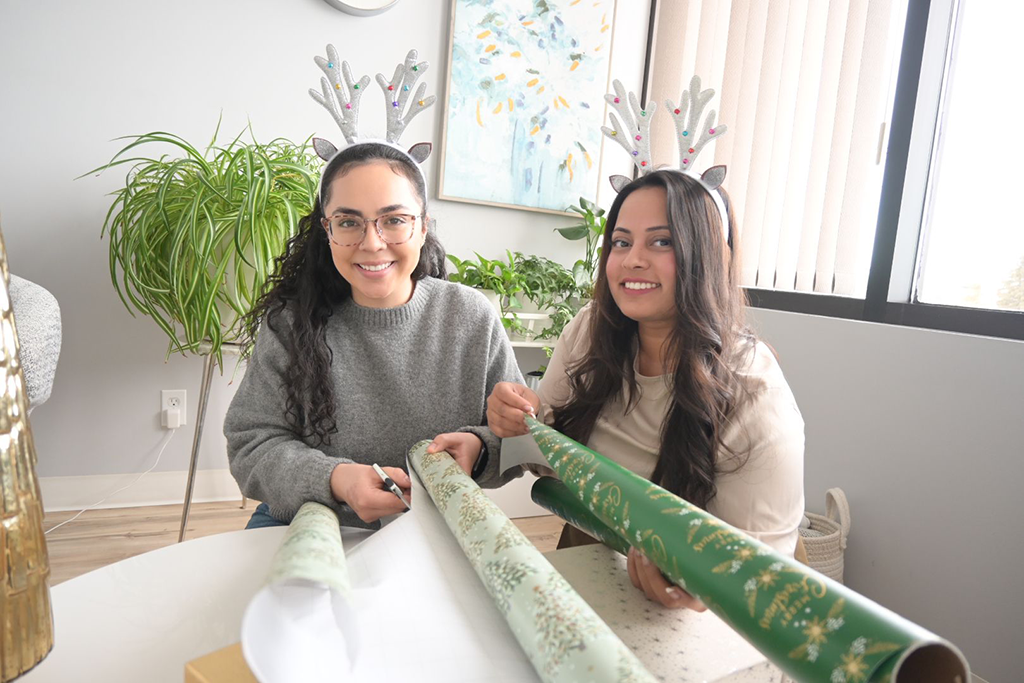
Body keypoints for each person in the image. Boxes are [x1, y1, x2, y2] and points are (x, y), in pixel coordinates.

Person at [487, 170, 805, 610]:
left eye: (662, 242)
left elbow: (762, 576)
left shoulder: (753, 389)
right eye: (621, 242)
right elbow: (547, 457)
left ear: (708, 256)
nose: (632, 260)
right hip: (593, 568)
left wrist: (696, 593)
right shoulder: (588, 332)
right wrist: (517, 424)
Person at [225, 141, 522, 530]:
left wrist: (480, 450)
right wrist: (334, 480)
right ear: (326, 230)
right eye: (348, 222)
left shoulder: (470, 316)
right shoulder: (291, 322)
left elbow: (517, 441)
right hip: (308, 521)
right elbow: (250, 444)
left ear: (422, 226)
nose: (372, 243)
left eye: (394, 220)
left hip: (434, 528)